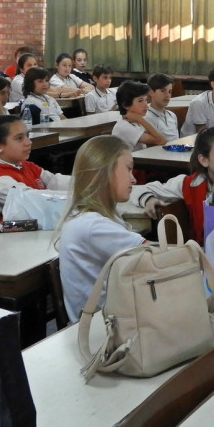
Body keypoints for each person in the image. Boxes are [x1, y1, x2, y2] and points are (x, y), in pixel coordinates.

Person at [54, 136, 144, 322]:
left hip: (111, 321)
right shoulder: (92, 226)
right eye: (128, 169)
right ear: (106, 170)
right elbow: (160, 255)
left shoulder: (90, 217)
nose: (133, 179)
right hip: (104, 332)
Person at [135, 127, 214, 243]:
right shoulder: (191, 184)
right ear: (204, 160)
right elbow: (141, 189)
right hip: (206, 254)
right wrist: (149, 199)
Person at [0, 115, 70, 228]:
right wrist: (77, 195)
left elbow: (55, 181)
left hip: (30, 231)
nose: (28, 142)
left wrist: (87, 182)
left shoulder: (23, 165)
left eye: (27, 135)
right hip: (0, 240)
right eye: (19, 138)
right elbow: (32, 200)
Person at [112, 81, 166, 152]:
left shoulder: (136, 122)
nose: (146, 105)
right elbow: (161, 141)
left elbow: (161, 141)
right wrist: (140, 120)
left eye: (146, 100)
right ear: (126, 105)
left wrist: (139, 120)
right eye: (140, 101)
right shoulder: (123, 127)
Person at [145, 73, 179, 141]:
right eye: (163, 91)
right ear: (151, 92)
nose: (167, 95)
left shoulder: (172, 115)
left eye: (170, 91)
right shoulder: (147, 117)